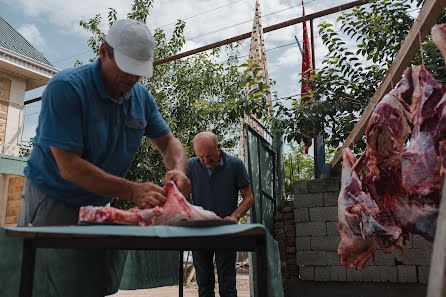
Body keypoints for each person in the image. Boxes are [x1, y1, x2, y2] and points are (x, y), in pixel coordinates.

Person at [18, 18, 191, 227]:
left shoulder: (141, 98)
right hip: (53, 199)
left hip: (100, 203)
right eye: (126, 67)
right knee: (49, 260)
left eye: (138, 70)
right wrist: (131, 190)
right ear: (102, 52)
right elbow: (69, 166)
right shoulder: (66, 87)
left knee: (94, 260)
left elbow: (169, 143)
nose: (133, 77)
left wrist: (179, 170)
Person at [187, 131, 254, 297]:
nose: (205, 160)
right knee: (204, 285)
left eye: (209, 155)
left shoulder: (235, 165)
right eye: (200, 156)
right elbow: (181, 197)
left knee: (227, 285)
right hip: (199, 232)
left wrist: (235, 216)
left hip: (226, 232)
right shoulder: (190, 166)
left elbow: (249, 197)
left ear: (218, 147)